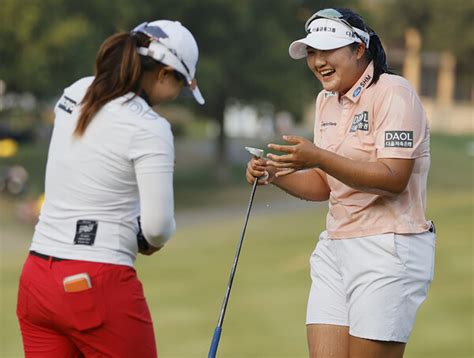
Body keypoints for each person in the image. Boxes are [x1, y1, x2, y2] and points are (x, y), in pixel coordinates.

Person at [246, 8, 435, 358]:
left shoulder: (394, 93)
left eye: (327, 50)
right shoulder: (325, 102)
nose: (318, 61)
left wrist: (318, 157)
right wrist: (276, 173)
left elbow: (394, 179)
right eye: (312, 53)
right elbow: (325, 184)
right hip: (336, 246)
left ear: (359, 48)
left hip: (388, 248)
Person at [16, 19, 204, 357]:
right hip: (95, 283)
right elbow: (157, 228)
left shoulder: (76, 91)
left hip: (37, 279)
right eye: (180, 85)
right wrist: (147, 239)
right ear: (164, 74)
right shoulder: (151, 127)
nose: (177, 96)